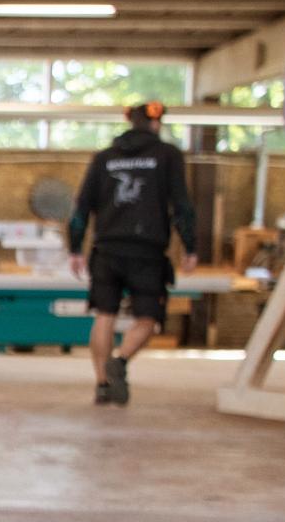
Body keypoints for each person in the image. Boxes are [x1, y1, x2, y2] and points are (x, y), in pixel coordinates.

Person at [67, 100, 199, 406]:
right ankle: (121, 361)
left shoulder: (104, 158)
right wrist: (191, 246)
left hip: (107, 250)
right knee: (148, 319)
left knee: (104, 316)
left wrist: (75, 248)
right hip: (147, 252)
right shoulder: (167, 155)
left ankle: (101, 383)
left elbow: (81, 207)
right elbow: (182, 205)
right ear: (155, 124)